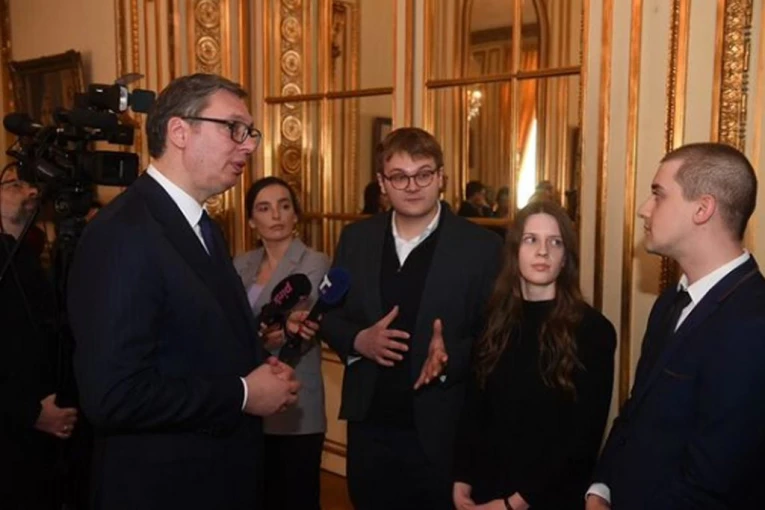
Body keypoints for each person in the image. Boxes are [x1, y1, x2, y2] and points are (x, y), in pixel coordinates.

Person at [67, 73, 300, 510]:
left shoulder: (202, 226)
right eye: (233, 128)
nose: (248, 145)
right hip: (161, 487)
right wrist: (244, 393)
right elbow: (113, 396)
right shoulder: (123, 233)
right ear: (179, 131)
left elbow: (195, 339)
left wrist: (259, 367)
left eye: (250, 132)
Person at [321, 127, 502, 509]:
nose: (413, 186)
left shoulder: (482, 247)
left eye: (423, 174)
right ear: (382, 183)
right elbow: (328, 315)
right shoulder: (356, 239)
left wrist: (451, 357)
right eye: (399, 177)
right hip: (370, 429)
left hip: (444, 432)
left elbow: (497, 338)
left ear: (441, 178)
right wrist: (358, 341)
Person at [587, 142, 765, 510]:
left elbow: (714, 482)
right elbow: (636, 411)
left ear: (702, 209)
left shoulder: (753, 323)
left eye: (658, 194)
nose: (644, 208)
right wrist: (601, 488)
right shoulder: (671, 301)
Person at [453, 200, 616, 510]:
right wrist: (461, 479)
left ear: (565, 258)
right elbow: (474, 410)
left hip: (549, 498)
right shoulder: (492, 322)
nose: (543, 251)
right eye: (531, 240)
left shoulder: (593, 330)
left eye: (555, 242)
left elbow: (582, 438)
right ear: (514, 252)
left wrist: (515, 503)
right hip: (487, 494)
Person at [233, 177, 329, 510]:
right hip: (248, 400)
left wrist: (258, 334)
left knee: (296, 496)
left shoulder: (314, 262)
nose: (276, 215)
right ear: (251, 220)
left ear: (295, 214)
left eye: (284, 206)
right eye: (264, 208)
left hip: (295, 399)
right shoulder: (240, 265)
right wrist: (260, 335)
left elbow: (297, 324)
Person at [1, 167, 78, 509]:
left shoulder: (33, 260)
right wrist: (31, 413)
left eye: (31, 185)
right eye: (14, 185)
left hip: (46, 445)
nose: (30, 191)